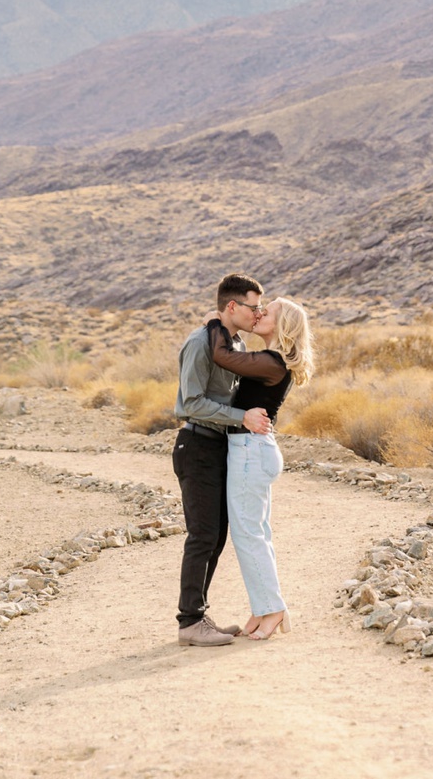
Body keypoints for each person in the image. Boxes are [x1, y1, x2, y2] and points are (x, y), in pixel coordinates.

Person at [171, 273, 286, 648]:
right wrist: (241, 418)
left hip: (221, 448)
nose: (258, 314)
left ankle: (200, 616)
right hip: (198, 446)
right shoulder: (202, 341)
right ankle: (189, 621)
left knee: (217, 536)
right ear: (233, 306)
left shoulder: (231, 342)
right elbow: (190, 403)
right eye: (254, 307)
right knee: (203, 535)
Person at [209, 295, 314, 642]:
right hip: (252, 451)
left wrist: (216, 323)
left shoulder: (272, 361)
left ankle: (273, 609)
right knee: (256, 535)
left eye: (265, 312)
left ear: (281, 324)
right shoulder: (272, 359)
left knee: (249, 536)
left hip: (251, 453)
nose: (258, 314)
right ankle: (263, 607)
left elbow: (221, 356)